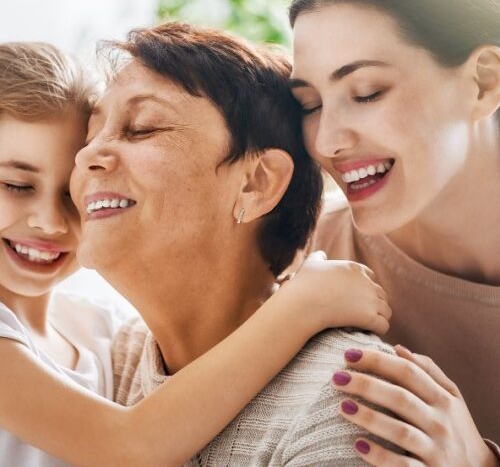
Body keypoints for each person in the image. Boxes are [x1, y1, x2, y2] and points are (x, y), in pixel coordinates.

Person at [0, 41, 391, 466]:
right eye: (17, 185)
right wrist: (302, 307)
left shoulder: (101, 334)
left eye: (143, 127)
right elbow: (128, 444)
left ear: (256, 183)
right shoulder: (125, 356)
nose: (88, 157)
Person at [288, 0, 500, 464]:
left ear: (483, 82)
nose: (327, 141)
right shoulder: (305, 258)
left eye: (366, 92)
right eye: (310, 104)